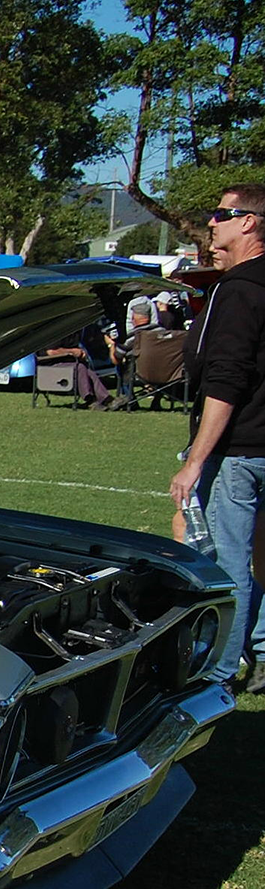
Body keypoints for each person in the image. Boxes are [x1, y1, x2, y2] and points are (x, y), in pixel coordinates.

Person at [170, 183, 265, 690]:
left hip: (241, 452)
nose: (212, 223)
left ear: (249, 223)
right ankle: (259, 652)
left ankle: (220, 671)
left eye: (221, 214)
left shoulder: (238, 290)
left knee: (224, 564)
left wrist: (195, 461)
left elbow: (226, 380)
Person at [45, 325, 116, 410]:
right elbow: (51, 352)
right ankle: (90, 399)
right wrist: (72, 352)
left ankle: (107, 400)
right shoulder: (57, 330)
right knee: (80, 367)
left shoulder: (76, 331)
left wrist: (82, 353)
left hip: (69, 363)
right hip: (50, 365)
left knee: (89, 372)